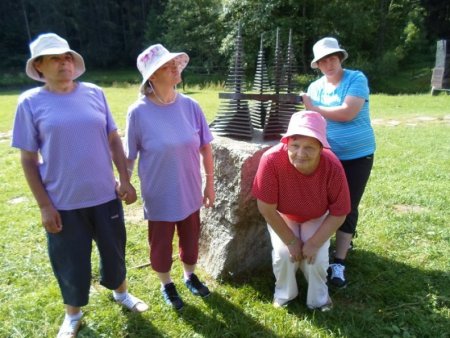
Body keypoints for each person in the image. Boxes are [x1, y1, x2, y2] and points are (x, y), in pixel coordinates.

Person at [11, 33, 148, 338]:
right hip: (63, 202)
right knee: (70, 261)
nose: (64, 62)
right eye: (56, 58)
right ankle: (73, 314)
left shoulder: (94, 93)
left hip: (105, 195)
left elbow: (113, 138)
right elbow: (28, 160)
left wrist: (125, 179)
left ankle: (121, 293)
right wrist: (45, 206)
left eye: (68, 57)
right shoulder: (30, 103)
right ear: (39, 66)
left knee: (114, 251)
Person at [124, 44, 215, 311]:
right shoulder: (138, 112)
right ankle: (166, 283)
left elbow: (205, 147)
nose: (175, 67)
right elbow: (130, 155)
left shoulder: (191, 105)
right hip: (159, 192)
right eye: (166, 65)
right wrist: (125, 181)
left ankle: (189, 276)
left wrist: (209, 183)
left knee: (190, 237)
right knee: (161, 243)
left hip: (189, 188)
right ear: (151, 77)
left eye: (175, 62)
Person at [252, 111, 350, 310]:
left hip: (316, 216)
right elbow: (266, 208)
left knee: (316, 258)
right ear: (287, 143)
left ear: (321, 147)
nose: (300, 153)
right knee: (284, 254)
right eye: (295, 145)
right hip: (283, 215)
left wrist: (313, 243)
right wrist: (291, 240)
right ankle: (284, 295)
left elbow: (340, 211)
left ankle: (319, 300)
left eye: (309, 147)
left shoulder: (333, 166)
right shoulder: (271, 160)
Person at [301, 37, 376, 288]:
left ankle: (339, 261)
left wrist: (314, 107)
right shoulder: (315, 87)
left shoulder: (356, 79)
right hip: (327, 157)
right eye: (323, 60)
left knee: (347, 205)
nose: (329, 63)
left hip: (357, 155)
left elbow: (347, 112)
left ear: (340, 58)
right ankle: (322, 245)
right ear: (318, 65)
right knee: (323, 203)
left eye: (332, 58)